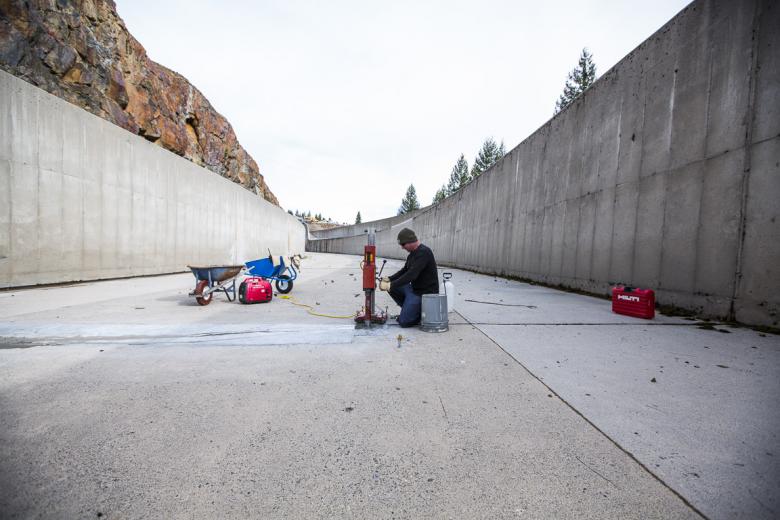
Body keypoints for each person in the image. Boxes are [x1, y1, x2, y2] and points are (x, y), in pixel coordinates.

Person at [378, 228, 439, 327]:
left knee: (404, 322)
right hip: (414, 290)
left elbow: (411, 275)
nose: (402, 247)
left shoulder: (424, 253)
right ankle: (409, 308)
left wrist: (391, 285)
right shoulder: (412, 254)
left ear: (410, 241)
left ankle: (417, 313)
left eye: (403, 244)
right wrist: (389, 279)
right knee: (393, 287)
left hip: (424, 294)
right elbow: (404, 270)